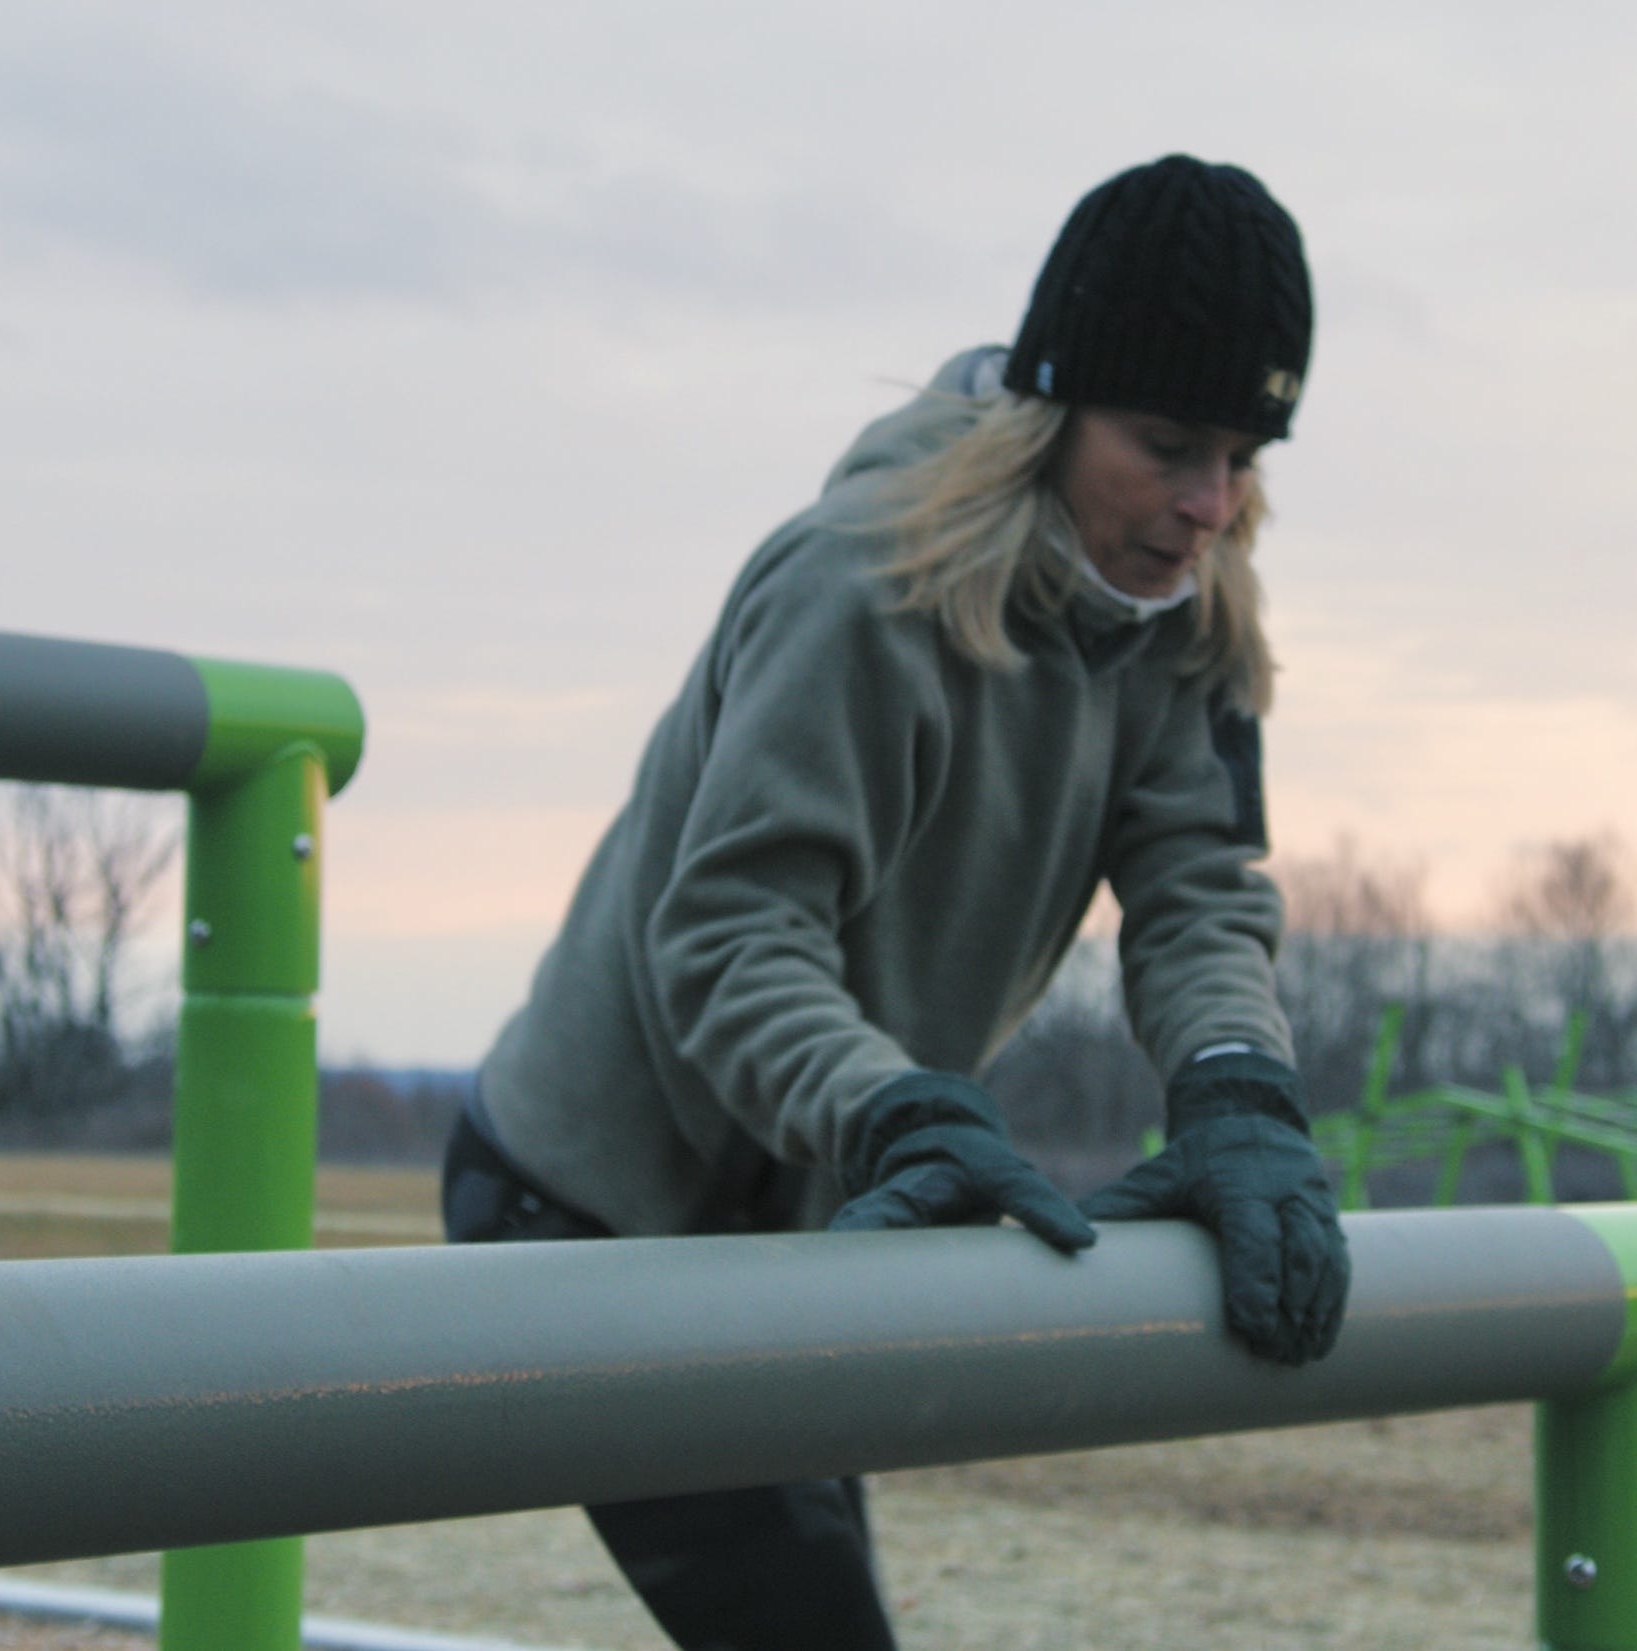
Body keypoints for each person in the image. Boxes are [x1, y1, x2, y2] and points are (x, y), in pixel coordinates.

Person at [442, 154, 1350, 1651]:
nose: (1209, 506)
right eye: (1171, 444)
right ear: (1053, 413)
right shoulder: (862, 588)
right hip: (602, 1209)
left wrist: (1240, 1095)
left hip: (820, 1211)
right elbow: (730, 936)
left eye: (1247, 457)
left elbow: (1200, 898)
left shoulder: (1188, 620)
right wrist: (896, 1109)